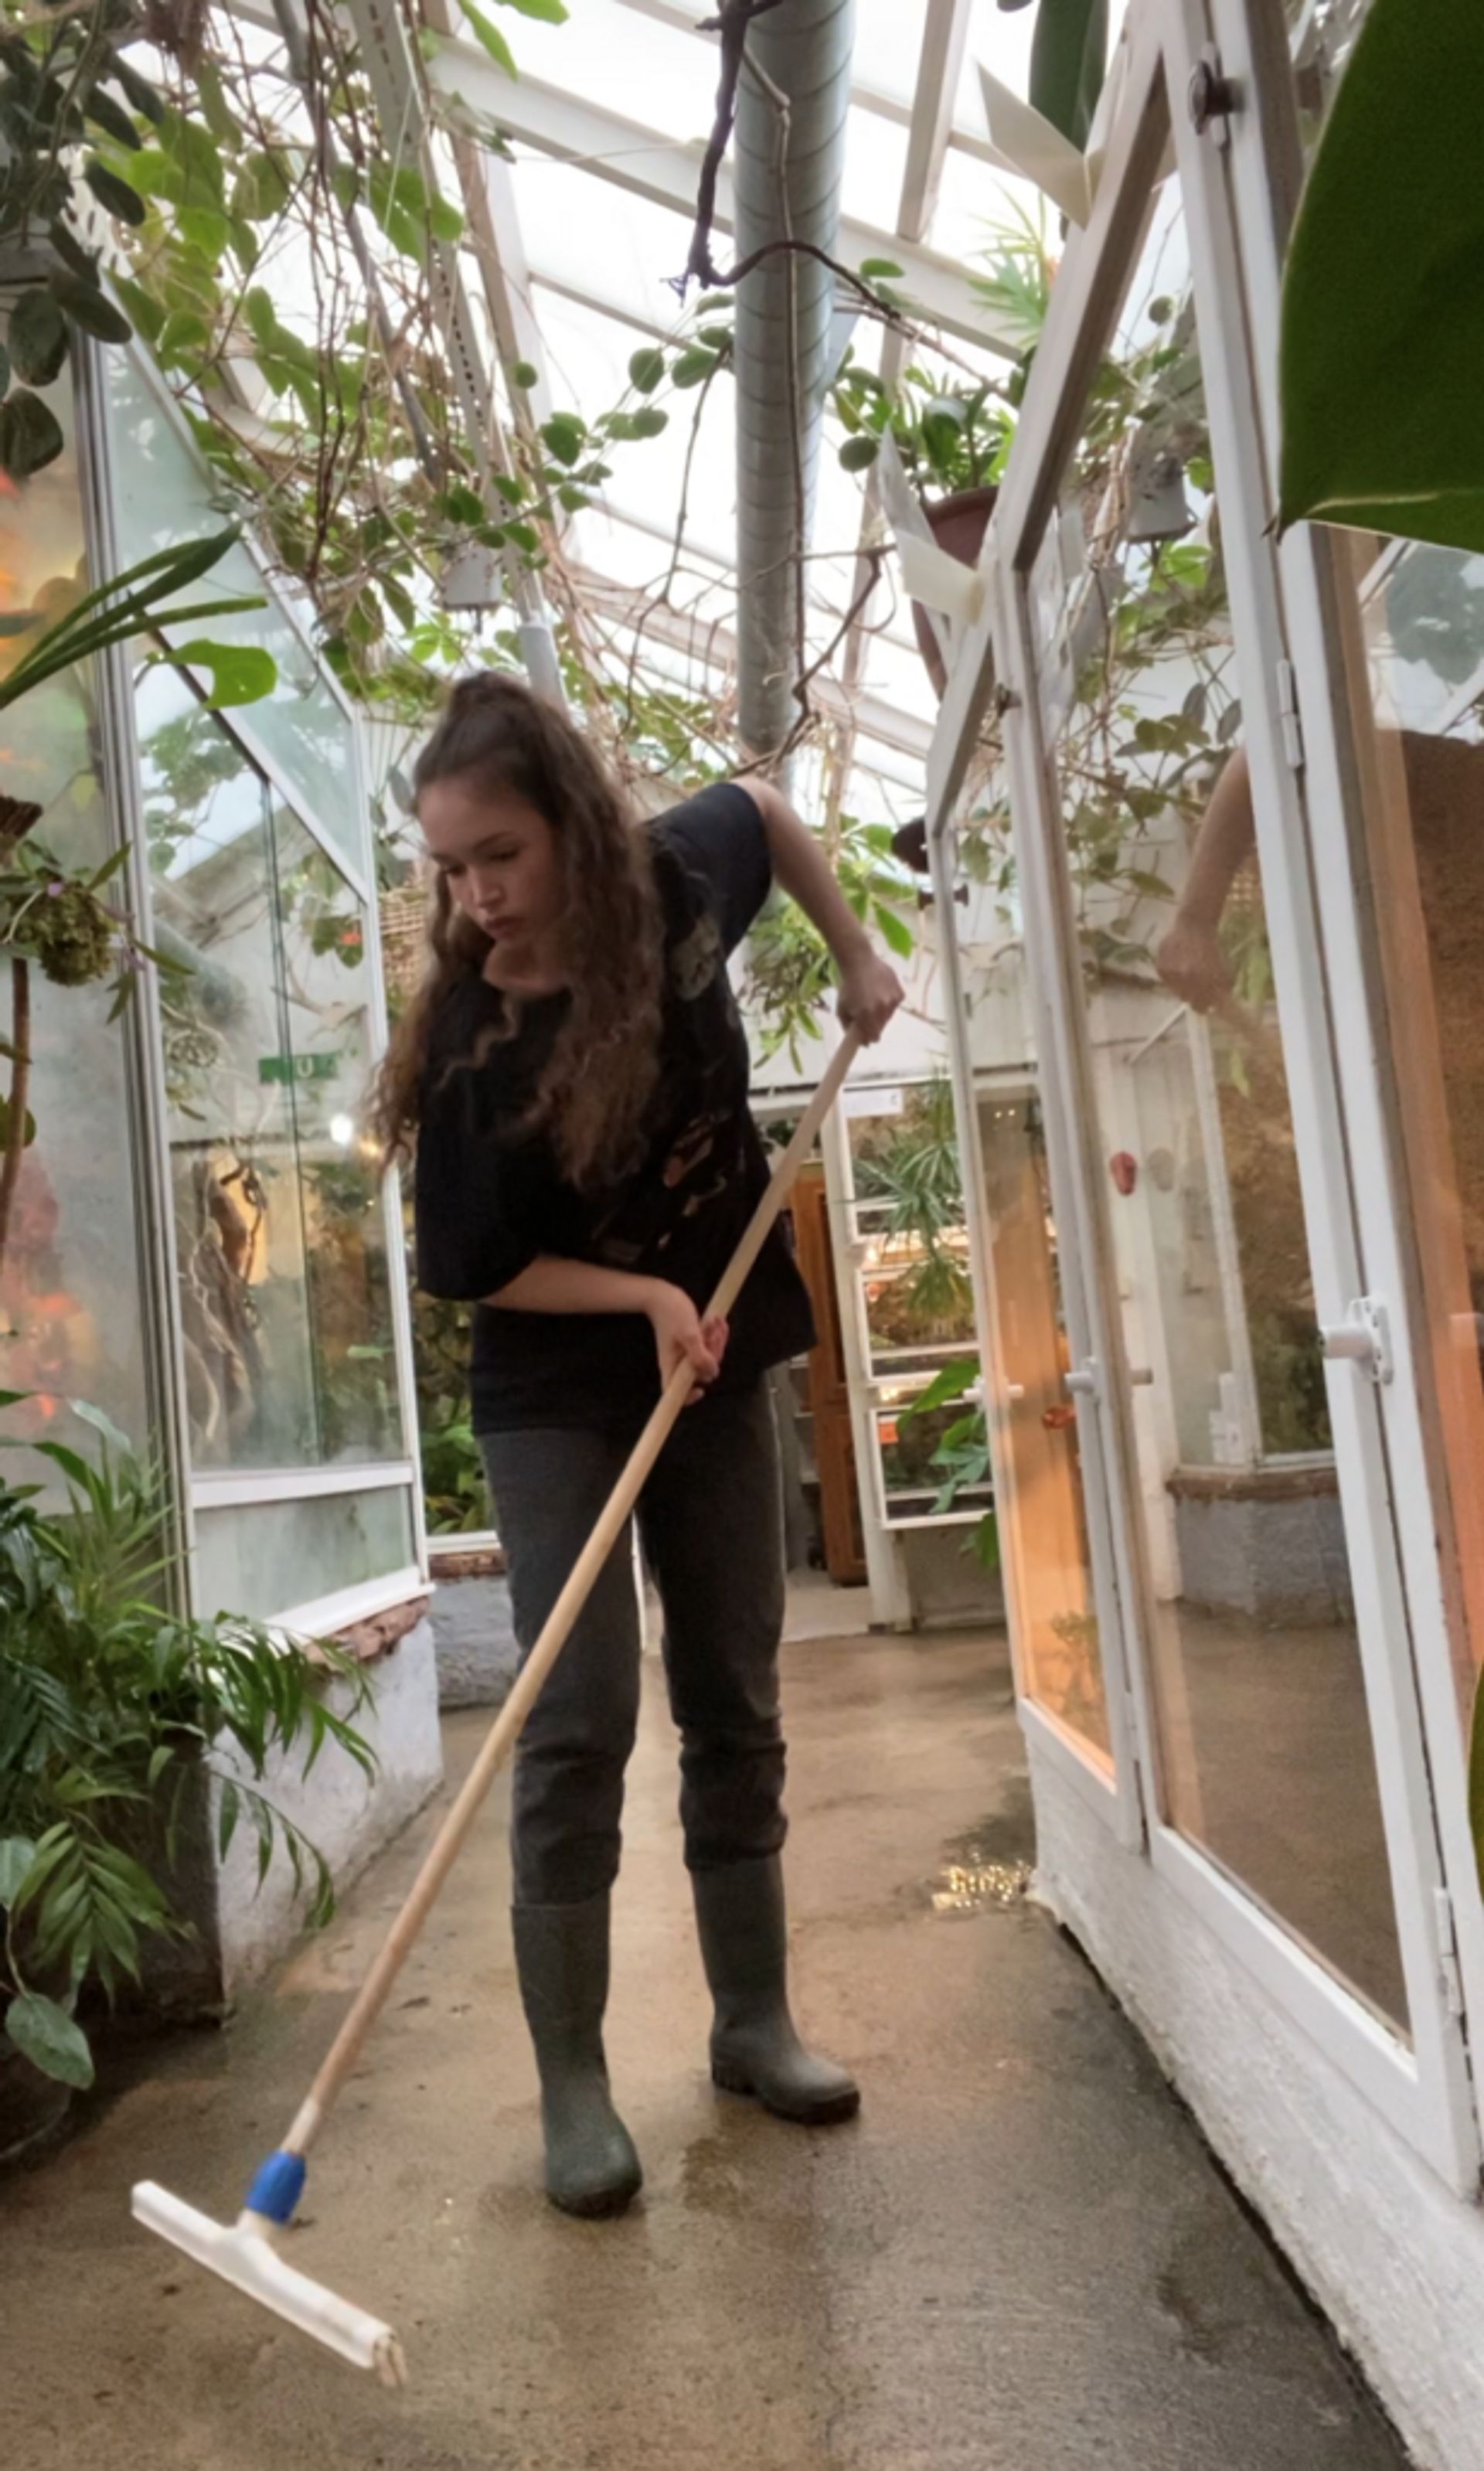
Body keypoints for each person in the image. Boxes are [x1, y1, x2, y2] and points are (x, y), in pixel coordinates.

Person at [373, 675, 904, 2220]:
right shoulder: (477, 1038)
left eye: (502, 858)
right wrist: (650, 1290)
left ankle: (753, 2023)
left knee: (735, 1684)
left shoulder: (674, 886)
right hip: (556, 1383)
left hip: (716, 1357)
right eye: (450, 868)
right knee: (578, 1709)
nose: (476, 900)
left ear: (579, 834)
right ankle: (576, 2084)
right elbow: (473, 1269)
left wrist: (856, 949)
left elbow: (772, 813)